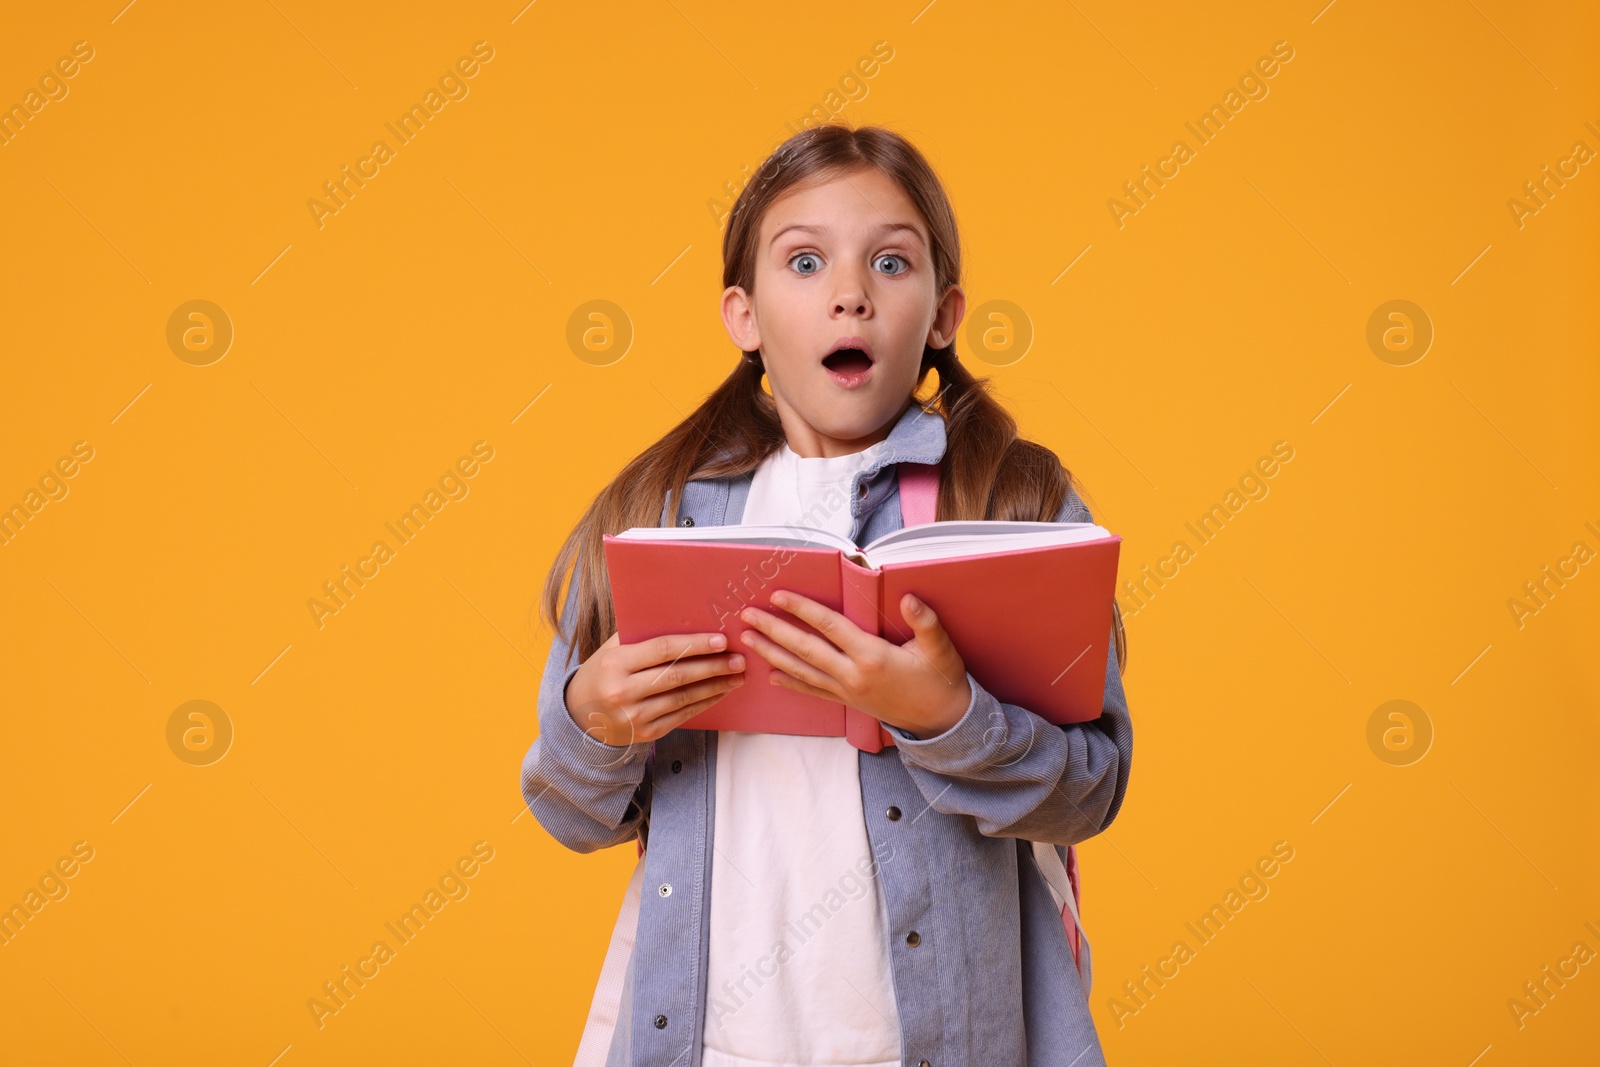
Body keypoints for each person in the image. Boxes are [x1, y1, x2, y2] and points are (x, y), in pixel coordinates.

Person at [521, 123, 1133, 1067]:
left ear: (942, 312)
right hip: (712, 1039)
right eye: (804, 262)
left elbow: (1090, 790)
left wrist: (946, 716)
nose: (850, 292)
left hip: (945, 1039)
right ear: (744, 316)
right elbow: (570, 812)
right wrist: (592, 720)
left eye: (891, 261)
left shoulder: (1013, 504)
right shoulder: (665, 517)